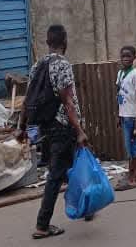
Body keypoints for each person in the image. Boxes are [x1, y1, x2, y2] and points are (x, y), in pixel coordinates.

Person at [16, 24, 88, 239]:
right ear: (65, 42)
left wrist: (21, 128)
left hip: (46, 126)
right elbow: (68, 102)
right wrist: (79, 130)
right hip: (62, 126)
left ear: (47, 43)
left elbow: (27, 100)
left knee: (70, 167)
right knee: (56, 175)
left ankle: (88, 206)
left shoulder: (38, 65)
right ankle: (42, 225)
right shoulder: (63, 65)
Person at [115, 46, 136, 191]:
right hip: (123, 115)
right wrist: (118, 115)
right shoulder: (120, 73)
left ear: (134, 58)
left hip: (132, 116)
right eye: (123, 56)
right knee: (133, 146)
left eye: (128, 56)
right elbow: (118, 94)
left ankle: (131, 177)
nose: (125, 58)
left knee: (131, 147)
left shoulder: (135, 75)